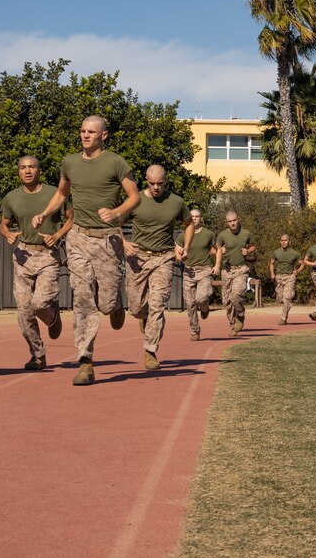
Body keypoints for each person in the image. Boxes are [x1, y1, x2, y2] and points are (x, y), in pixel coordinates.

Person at [33, 116, 141, 386]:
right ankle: (85, 362)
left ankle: (115, 304)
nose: (85, 135)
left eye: (91, 132)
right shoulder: (69, 162)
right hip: (78, 237)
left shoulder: (116, 162)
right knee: (82, 299)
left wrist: (116, 212)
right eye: (82, 131)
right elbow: (62, 193)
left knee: (105, 303)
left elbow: (135, 197)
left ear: (104, 135)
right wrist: (45, 213)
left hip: (107, 241)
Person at [0, 155, 72, 371]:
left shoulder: (54, 193)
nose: (27, 171)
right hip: (23, 255)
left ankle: (52, 316)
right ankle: (38, 354)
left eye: (31, 167)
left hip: (48, 255)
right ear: (18, 172)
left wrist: (57, 235)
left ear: (40, 171)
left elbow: (72, 218)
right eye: (23, 168)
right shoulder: (12, 197)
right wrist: (7, 234)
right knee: (24, 311)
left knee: (39, 304)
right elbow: (3, 224)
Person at [125, 165, 193, 370]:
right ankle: (143, 315)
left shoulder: (176, 202)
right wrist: (124, 243)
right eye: (152, 183)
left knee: (157, 304)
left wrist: (186, 247)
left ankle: (150, 351)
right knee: (136, 307)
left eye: (160, 184)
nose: (156, 187)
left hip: (164, 257)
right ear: (146, 180)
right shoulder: (135, 200)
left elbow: (189, 224)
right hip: (138, 259)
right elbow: (114, 223)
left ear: (165, 181)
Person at [214, 211, 255, 336]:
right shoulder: (222, 235)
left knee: (236, 295)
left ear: (238, 219)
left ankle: (240, 314)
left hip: (241, 269)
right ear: (226, 222)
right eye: (230, 221)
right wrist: (220, 253)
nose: (232, 223)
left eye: (234, 220)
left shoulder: (246, 233)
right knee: (226, 301)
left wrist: (247, 251)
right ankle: (233, 325)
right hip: (227, 270)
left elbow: (253, 247)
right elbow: (215, 250)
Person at [182, 208, 215, 341]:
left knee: (201, 298)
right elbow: (177, 250)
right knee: (190, 303)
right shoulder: (183, 234)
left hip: (204, 270)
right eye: (192, 216)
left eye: (197, 216)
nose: (194, 218)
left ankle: (204, 307)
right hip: (189, 271)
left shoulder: (209, 234)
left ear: (201, 218)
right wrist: (179, 256)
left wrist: (217, 264)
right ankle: (194, 330)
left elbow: (216, 250)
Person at [270, 234, 304, 324]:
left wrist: (297, 271)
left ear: (289, 242)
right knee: (280, 298)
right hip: (279, 277)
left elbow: (302, 263)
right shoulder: (276, 252)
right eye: (282, 240)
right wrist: (272, 273)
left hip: (290, 277)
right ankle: (288, 305)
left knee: (287, 297)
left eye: (285, 240)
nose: (283, 242)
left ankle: (283, 318)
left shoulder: (294, 253)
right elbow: (272, 263)